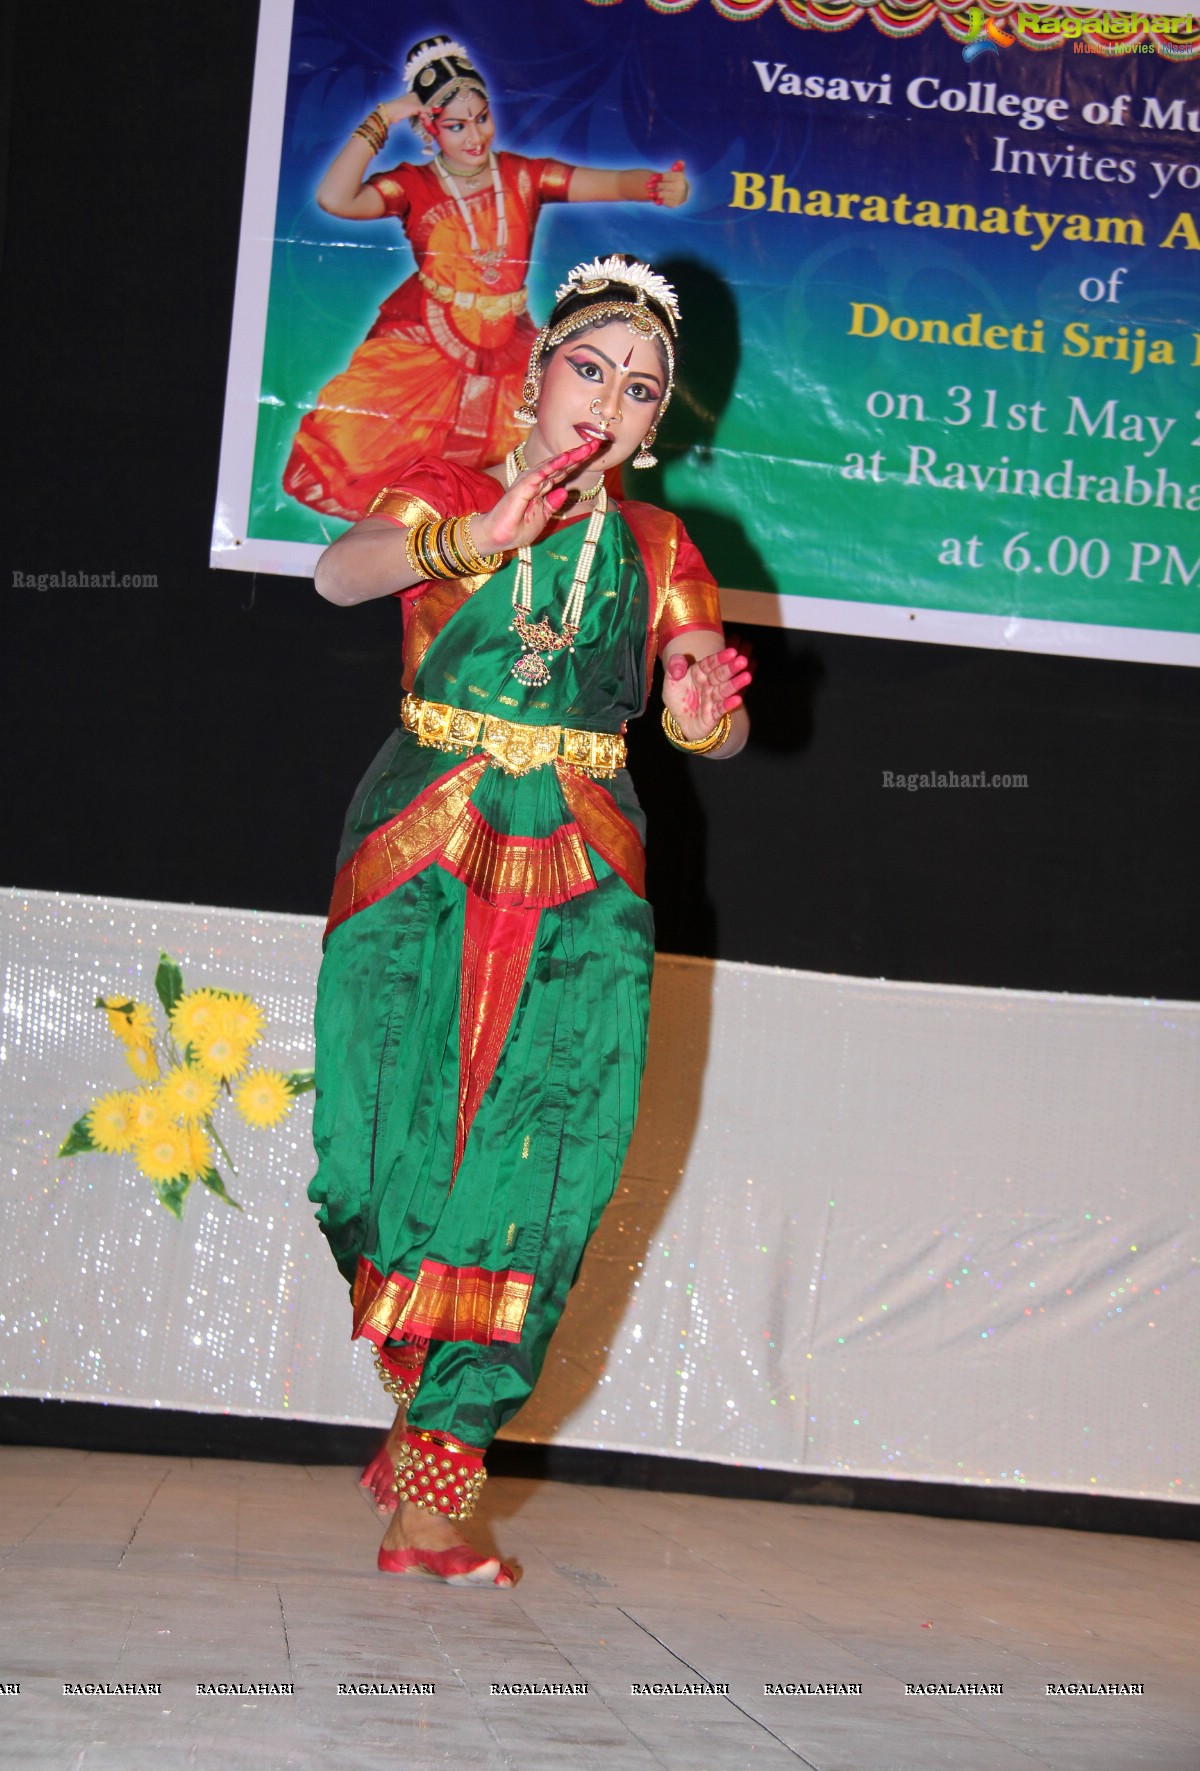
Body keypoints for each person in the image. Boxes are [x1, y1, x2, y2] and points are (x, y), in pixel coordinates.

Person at [309, 253, 751, 1587]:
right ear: (537, 369)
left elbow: (707, 710)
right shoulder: (448, 487)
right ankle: (419, 1408)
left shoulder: (666, 548)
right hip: (423, 840)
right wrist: (477, 538)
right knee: (380, 1158)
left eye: (641, 391)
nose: (610, 402)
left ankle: (440, 1478)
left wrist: (701, 712)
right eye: (592, 368)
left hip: (583, 862)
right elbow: (338, 576)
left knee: (550, 1157)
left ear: (655, 426)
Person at [283, 35, 690, 519]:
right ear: (428, 128)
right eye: (456, 125)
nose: (475, 136)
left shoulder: (522, 176)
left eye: (482, 118)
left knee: (548, 472)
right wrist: (385, 116)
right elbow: (335, 199)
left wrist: (654, 186)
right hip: (427, 340)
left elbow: (606, 181)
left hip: (510, 343)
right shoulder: (414, 185)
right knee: (358, 450)